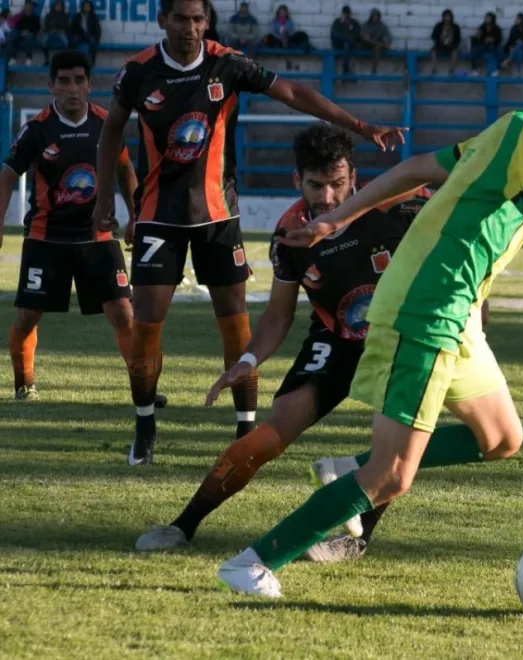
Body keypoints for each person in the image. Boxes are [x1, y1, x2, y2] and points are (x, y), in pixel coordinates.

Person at [216, 59, 523, 597]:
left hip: (458, 314)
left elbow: (418, 168)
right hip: (429, 308)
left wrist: (339, 216)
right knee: (392, 476)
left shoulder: (508, 131)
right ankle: (253, 563)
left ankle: (343, 470)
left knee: (500, 438)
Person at [92, 0, 406, 467]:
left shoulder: (229, 63)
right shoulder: (137, 72)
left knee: (236, 327)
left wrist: (359, 126)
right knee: (147, 328)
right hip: (160, 217)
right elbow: (112, 131)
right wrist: (105, 200)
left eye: (199, 19)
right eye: (180, 18)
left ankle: (244, 426)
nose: (190, 28)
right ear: (162, 20)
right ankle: (144, 424)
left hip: (219, 216)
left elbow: (295, 93)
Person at [133, 124, 427, 553]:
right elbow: (278, 314)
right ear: (297, 181)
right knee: (270, 432)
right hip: (336, 336)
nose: (326, 197)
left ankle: (355, 542)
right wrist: (248, 362)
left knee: (396, 448)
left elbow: (458, 225)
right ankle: (183, 525)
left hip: (401, 340)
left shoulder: (397, 205)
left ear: (354, 178)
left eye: (337, 184)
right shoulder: (289, 235)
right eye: (315, 185)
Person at [0, 51, 139, 402]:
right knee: (29, 315)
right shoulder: (36, 129)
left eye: (79, 80)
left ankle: (143, 385)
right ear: (51, 86)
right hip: (46, 237)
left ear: (90, 85)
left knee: (123, 312)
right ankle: (24, 384)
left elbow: (125, 171)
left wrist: (135, 214)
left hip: (97, 235)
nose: (72, 89)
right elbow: (6, 178)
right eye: (64, 81)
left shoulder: (108, 125)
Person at [6, 1, 41, 66]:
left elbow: (37, 28)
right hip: (19, 33)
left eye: (30, 7)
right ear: (25, 7)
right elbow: (15, 26)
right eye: (27, 6)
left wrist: (28, 31)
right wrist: (21, 32)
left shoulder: (35, 17)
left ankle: (29, 58)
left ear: (33, 8)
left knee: (29, 38)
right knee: (10, 39)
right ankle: (12, 58)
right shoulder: (20, 16)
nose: (28, 8)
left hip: (30, 34)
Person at [331, 5, 361, 75]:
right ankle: (343, 69)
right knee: (345, 43)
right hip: (339, 44)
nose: (346, 15)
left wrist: (349, 38)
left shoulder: (354, 22)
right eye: (345, 13)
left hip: (350, 44)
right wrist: (341, 23)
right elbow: (335, 33)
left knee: (347, 44)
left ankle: (345, 67)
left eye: (348, 13)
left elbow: (357, 34)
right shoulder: (337, 21)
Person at [429, 9, 460, 76]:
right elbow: (433, 36)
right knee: (433, 51)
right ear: (442, 17)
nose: (447, 18)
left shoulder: (455, 27)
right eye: (445, 16)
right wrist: (441, 39)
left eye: (448, 17)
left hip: (451, 46)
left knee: (455, 52)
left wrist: (451, 42)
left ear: (451, 17)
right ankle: (434, 69)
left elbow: (458, 39)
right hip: (440, 45)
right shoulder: (438, 26)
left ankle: (451, 70)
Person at [69, 0, 100, 65]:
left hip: (89, 35)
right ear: (82, 7)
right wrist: (73, 35)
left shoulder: (94, 17)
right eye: (85, 6)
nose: (87, 8)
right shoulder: (77, 16)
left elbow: (98, 29)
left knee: (93, 43)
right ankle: (73, 61)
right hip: (79, 35)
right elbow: (72, 28)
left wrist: (96, 38)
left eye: (88, 6)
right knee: (73, 42)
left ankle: (92, 62)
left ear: (91, 7)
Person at [41, 0, 69, 66]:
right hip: (50, 33)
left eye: (60, 6)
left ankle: (63, 59)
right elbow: (46, 26)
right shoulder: (49, 15)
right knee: (43, 41)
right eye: (57, 6)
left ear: (62, 7)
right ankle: (46, 59)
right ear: (54, 6)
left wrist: (57, 27)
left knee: (66, 43)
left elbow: (66, 26)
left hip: (60, 32)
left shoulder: (65, 16)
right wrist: (51, 30)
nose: (58, 7)